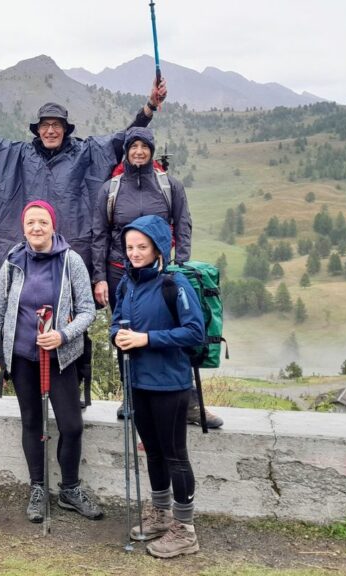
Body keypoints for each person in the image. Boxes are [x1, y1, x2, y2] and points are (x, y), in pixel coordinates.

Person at [0, 80, 167, 405]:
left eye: (56, 125)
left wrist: (149, 108)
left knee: (74, 320)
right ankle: (32, 386)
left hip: (71, 254)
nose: (51, 130)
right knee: (28, 317)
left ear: (65, 129)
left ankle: (79, 389)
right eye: (45, 125)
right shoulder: (17, 154)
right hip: (31, 256)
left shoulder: (86, 152)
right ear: (38, 129)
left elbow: (124, 138)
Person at [92, 127, 222, 428]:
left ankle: (187, 400)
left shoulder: (169, 186)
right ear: (126, 151)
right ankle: (131, 395)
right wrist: (99, 276)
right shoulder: (110, 189)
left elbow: (183, 223)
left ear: (152, 150)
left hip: (162, 273)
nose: (138, 151)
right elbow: (98, 234)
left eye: (144, 146)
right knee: (125, 333)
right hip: (119, 270)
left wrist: (181, 267)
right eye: (133, 146)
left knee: (176, 330)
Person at [0, 201, 100, 523]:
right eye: (31, 222)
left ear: (53, 225)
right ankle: (38, 488)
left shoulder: (71, 260)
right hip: (23, 357)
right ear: (23, 227)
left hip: (62, 358)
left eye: (43, 222)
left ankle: (69, 489)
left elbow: (88, 311)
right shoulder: (12, 260)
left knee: (71, 426)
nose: (36, 228)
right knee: (32, 424)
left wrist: (62, 335)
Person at [110, 215, 205, 559]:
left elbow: (195, 332)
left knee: (175, 454)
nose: (134, 253)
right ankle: (161, 515)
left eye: (142, 247)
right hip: (139, 383)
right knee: (151, 450)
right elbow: (117, 322)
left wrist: (145, 339)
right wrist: (118, 337)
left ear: (158, 249)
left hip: (170, 383)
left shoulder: (175, 284)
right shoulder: (126, 284)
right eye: (130, 247)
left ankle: (185, 531)